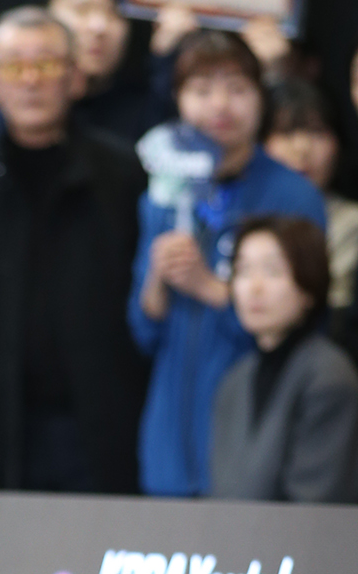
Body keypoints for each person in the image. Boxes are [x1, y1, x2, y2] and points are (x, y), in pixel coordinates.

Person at [129, 28, 327, 497]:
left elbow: (308, 324)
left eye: (237, 89)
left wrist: (209, 286)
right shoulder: (165, 193)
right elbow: (143, 330)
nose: (220, 105)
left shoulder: (293, 195)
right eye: (201, 90)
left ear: (261, 98)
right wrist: (158, 279)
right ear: (178, 100)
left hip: (256, 430)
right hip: (169, 436)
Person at [0, 6, 149, 492]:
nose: (31, 81)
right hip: (3, 418)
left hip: (101, 417)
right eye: (14, 67)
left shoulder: (121, 173)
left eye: (46, 65)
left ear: (75, 78)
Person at [0, 0, 186, 153]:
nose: (99, 26)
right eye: (82, 9)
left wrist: (165, 61)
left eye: (114, 12)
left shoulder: (153, 112)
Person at [211, 217, 358, 502]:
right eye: (243, 271)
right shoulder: (236, 379)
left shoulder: (329, 377)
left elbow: (316, 501)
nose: (254, 287)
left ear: (308, 286)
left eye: (272, 271)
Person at [263, 79, 358, 316]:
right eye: (286, 132)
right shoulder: (239, 210)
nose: (302, 147)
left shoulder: (352, 223)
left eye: (317, 132)